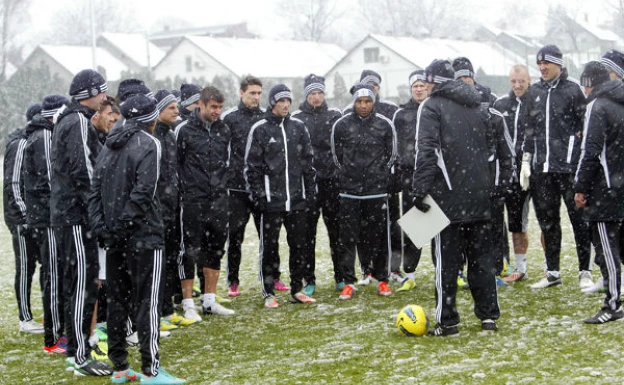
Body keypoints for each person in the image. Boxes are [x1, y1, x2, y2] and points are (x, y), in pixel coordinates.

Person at [88, 94, 186, 384]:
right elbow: (144, 191)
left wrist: (103, 228)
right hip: (144, 236)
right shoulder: (150, 143)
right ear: (151, 119)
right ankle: (150, 370)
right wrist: (122, 226)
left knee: (118, 303)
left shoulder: (109, 144)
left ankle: (119, 367)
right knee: (148, 303)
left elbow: (94, 191)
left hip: (115, 237)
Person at [413, 59, 501, 336]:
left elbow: (426, 151)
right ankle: (488, 317)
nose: (424, 86)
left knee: (446, 265)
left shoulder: (431, 106)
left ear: (435, 81)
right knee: (481, 262)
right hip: (479, 195)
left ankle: (447, 322)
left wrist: (419, 190)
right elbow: (490, 151)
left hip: (447, 198)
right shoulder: (478, 105)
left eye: (427, 81)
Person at [50, 68, 112, 375]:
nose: (104, 97)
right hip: (76, 216)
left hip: (75, 213)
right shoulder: (76, 121)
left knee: (85, 283)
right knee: (82, 284)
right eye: (102, 91)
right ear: (91, 93)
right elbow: (85, 170)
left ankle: (80, 348)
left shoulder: (74, 119)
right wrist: (98, 207)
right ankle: (78, 355)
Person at [520, 45, 593, 290]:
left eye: (547, 64)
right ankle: (552, 272)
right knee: (547, 221)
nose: (542, 68)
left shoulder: (573, 90)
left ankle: (585, 270)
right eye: (539, 64)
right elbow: (528, 129)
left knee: (579, 221)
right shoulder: (534, 92)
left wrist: (577, 158)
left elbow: (584, 128)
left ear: (558, 65)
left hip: (568, 169)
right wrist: (526, 160)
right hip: (542, 170)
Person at [245, 84, 317, 308]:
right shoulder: (260, 129)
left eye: (288, 101)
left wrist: (310, 193)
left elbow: (308, 163)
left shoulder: (298, 127)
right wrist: (259, 196)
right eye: (281, 101)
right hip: (271, 202)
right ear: (272, 103)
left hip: (297, 200)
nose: (285, 105)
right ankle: (268, 293)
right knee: (270, 247)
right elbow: (251, 168)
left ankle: (297, 289)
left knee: (299, 245)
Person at [331, 84, 397, 300]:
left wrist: (379, 175)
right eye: (359, 102)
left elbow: (391, 155)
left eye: (367, 101)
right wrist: (349, 176)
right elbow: (336, 156)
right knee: (348, 239)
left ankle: (382, 280)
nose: (363, 105)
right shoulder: (341, 125)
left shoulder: (384, 125)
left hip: (376, 192)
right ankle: (349, 282)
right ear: (354, 103)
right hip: (350, 193)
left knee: (379, 238)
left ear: (373, 102)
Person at [176, 86, 235, 317]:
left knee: (215, 248)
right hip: (192, 200)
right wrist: (186, 189)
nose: (217, 112)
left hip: (219, 199)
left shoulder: (224, 130)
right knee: (189, 250)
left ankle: (209, 300)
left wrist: (222, 188)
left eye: (220, 107)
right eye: (213, 107)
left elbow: (228, 161)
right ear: (201, 104)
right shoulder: (184, 130)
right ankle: (188, 302)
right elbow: (177, 164)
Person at [574, 61, 624, 323]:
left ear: (589, 83)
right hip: (620, 185)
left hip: (605, 190)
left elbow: (590, 151)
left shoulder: (598, 105)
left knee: (607, 250)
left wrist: (581, 187)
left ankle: (613, 304)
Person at [24, 95, 69, 353]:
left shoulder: (45, 134)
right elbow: (51, 180)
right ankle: (52, 338)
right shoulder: (42, 137)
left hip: (51, 216)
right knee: (53, 274)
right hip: (47, 218)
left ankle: (59, 329)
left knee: (58, 273)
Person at [221, 75, 272, 297]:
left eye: (259, 93)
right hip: (237, 189)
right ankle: (233, 280)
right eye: (252, 93)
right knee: (235, 237)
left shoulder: (266, 118)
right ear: (241, 93)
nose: (256, 97)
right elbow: (223, 152)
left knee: (268, 237)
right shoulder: (229, 119)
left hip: (261, 189)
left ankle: (273, 277)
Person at [292, 74, 343, 294]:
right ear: (306, 95)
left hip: (332, 183)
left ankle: (341, 276)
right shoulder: (296, 118)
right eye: (312, 93)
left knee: (337, 234)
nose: (316, 97)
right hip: (308, 185)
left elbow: (342, 147)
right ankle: (309, 279)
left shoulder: (335, 115)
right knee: (306, 235)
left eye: (319, 93)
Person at [153, 90, 196, 329]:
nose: (176, 111)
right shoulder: (154, 137)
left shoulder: (170, 135)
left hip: (172, 207)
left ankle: (168, 309)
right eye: (171, 108)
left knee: (170, 258)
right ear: (158, 110)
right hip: (158, 208)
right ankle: (157, 311)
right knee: (158, 262)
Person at [4, 103, 44, 335]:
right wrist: (24, 216)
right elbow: (13, 182)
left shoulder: (34, 141)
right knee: (25, 267)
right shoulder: (20, 144)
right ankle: (24, 318)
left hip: (36, 217)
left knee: (42, 267)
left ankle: (41, 314)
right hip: (23, 219)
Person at [493, 65, 533, 283]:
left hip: (537, 169)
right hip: (511, 172)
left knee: (548, 220)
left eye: (522, 81)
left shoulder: (536, 100)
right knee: (515, 221)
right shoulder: (501, 104)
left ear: (529, 80)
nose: (517, 85)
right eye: (514, 81)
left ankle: (550, 268)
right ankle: (520, 267)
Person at [391, 70, 428, 292]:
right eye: (415, 85)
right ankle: (410, 273)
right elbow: (394, 147)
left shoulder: (436, 108)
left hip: (435, 177)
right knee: (415, 227)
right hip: (410, 178)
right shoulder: (401, 114)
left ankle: (454, 271)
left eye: (422, 84)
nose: (419, 88)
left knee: (444, 227)